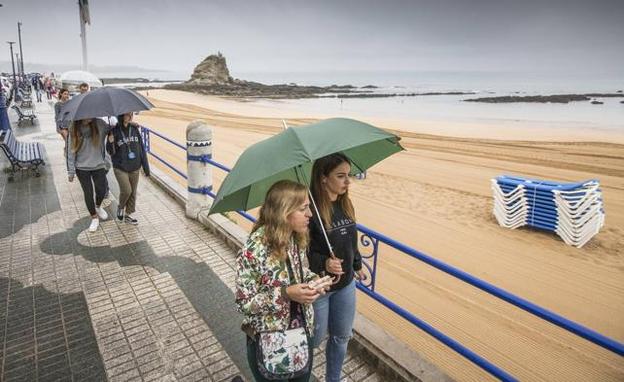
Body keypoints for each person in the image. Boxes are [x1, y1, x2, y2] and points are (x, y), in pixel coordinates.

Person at [236, 180, 325, 382]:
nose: (310, 214)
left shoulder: (296, 238)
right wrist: (285, 294)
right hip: (269, 340)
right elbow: (244, 303)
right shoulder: (253, 250)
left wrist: (315, 282)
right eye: (304, 208)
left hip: (302, 333)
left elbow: (303, 273)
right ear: (284, 212)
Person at [307, 153, 366, 382]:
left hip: (346, 285)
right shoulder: (310, 210)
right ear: (323, 178)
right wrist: (324, 262)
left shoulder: (346, 203)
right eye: (340, 176)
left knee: (342, 337)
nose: (347, 181)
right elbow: (302, 253)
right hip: (321, 288)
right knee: (315, 339)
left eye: (348, 175)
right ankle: (300, 376)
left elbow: (352, 240)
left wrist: (357, 264)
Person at [66, 118, 113, 232]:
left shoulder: (99, 124)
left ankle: (98, 206)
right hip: (82, 167)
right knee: (88, 193)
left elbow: (112, 129)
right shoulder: (73, 128)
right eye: (86, 115)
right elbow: (70, 151)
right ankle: (94, 218)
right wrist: (71, 171)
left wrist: (113, 130)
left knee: (101, 190)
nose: (89, 117)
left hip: (98, 164)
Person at [106, 113, 150, 224]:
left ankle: (127, 215)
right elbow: (111, 152)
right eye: (127, 114)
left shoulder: (134, 129)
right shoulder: (114, 131)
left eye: (131, 114)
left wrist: (146, 167)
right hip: (120, 167)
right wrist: (110, 142)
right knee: (126, 190)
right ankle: (121, 208)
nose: (130, 116)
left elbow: (141, 148)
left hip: (135, 166)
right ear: (121, 115)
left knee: (133, 192)